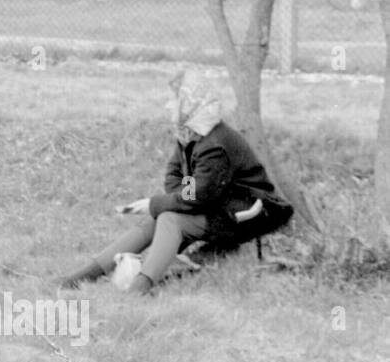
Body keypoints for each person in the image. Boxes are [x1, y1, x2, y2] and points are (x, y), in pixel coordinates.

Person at [56, 68, 293, 293]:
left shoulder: (215, 144)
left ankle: (138, 290)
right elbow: (175, 176)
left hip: (251, 213)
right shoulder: (191, 134)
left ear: (189, 104)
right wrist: (179, 198)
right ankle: (83, 277)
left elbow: (197, 196)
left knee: (169, 218)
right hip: (220, 206)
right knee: (159, 218)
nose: (168, 105)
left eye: (174, 100)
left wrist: (159, 203)